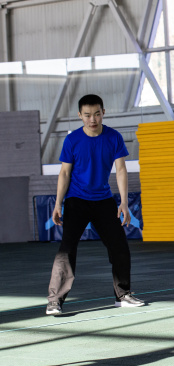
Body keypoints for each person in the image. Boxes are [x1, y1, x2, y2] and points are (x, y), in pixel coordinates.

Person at [45, 94, 144, 315]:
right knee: (66, 250)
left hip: (103, 200)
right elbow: (64, 173)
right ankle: (54, 301)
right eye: (87, 115)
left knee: (119, 247)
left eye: (97, 114)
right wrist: (58, 203)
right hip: (76, 200)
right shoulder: (72, 140)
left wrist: (124, 203)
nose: (93, 119)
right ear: (80, 115)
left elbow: (121, 169)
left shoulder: (114, 137)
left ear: (103, 113)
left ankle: (123, 295)